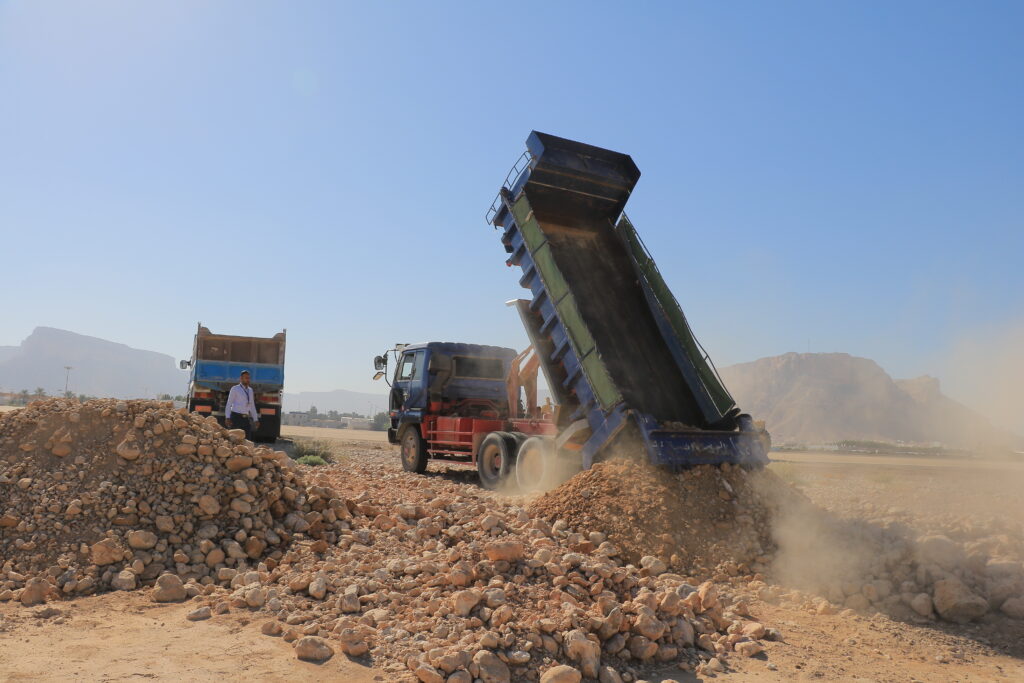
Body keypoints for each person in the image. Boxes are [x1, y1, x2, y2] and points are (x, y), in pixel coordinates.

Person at [225, 370, 260, 441]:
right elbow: (229, 403)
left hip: (246, 419)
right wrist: (227, 417)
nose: (248, 380)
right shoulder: (235, 389)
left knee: (247, 440)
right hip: (236, 418)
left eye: (248, 378)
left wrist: (255, 419)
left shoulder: (250, 390)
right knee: (234, 441)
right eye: (246, 378)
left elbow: (252, 406)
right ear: (241, 379)